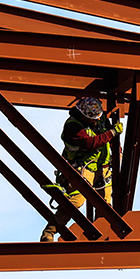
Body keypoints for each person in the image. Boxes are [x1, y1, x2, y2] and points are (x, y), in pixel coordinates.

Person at [40, 95, 122, 242]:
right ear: (84, 116)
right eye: (94, 118)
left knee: (105, 205)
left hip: (102, 167)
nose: (98, 120)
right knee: (77, 200)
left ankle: (100, 237)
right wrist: (113, 133)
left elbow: (107, 134)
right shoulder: (73, 126)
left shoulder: (99, 117)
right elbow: (91, 143)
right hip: (82, 168)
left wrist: (118, 151)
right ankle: (50, 231)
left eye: (99, 116)